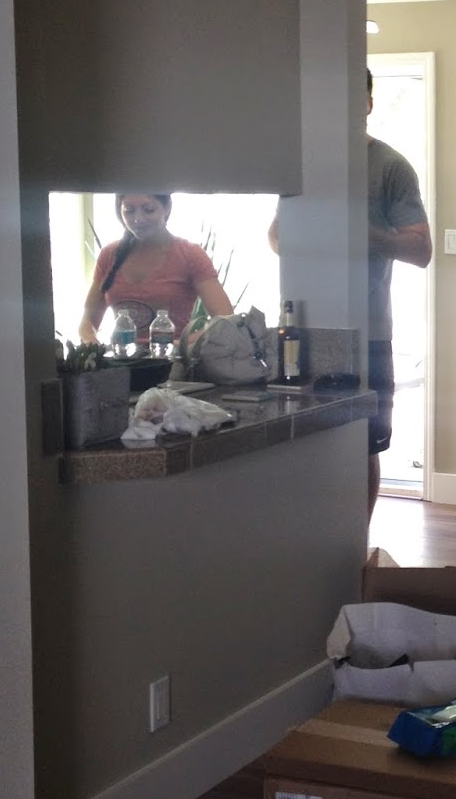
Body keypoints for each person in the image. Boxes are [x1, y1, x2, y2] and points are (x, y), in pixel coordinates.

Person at [267, 71, 431, 520]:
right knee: (305, 445)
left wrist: (363, 233)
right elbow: (277, 238)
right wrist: (308, 236)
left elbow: (421, 250)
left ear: (368, 104)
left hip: (367, 334)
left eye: (351, 100)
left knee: (364, 445)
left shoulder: (390, 166)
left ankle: (358, 544)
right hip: (302, 332)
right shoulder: (300, 165)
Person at [78, 192, 234, 346]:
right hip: (122, 358)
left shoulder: (190, 254)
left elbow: (226, 321)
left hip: (172, 359)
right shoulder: (109, 254)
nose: (138, 219)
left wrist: (180, 345)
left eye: (148, 210)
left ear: (167, 208)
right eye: (129, 211)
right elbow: (88, 322)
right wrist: (92, 344)